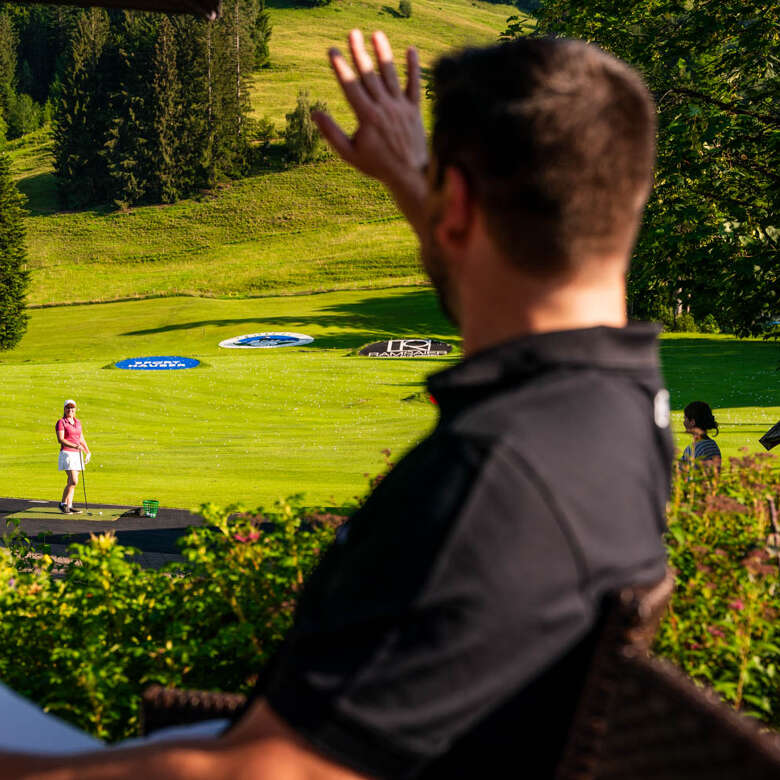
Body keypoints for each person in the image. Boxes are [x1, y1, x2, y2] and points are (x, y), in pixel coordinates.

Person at [0, 30, 673, 779]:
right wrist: (423, 185)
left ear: (459, 208)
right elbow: (512, 288)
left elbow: (269, 774)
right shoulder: (622, 402)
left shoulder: (487, 475)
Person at [55, 399, 91, 515]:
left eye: (72, 408)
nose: (70, 410)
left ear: (75, 409)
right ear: (64, 409)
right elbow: (61, 439)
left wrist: (87, 451)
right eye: (68, 408)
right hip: (67, 453)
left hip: (77, 454)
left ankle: (69, 506)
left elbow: (81, 438)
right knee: (74, 481)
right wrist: (75, 446)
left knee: (72, 481)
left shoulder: (78, 422)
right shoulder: (61, 422)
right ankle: (62, 504)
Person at [680, 400, 721, 469]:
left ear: (692, 422)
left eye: (685, 418)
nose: (683, 422)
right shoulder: (712, 445)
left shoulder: (695, 448)